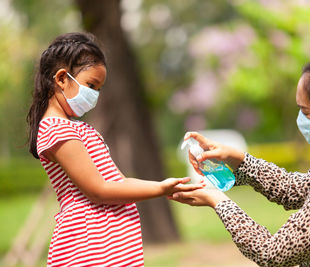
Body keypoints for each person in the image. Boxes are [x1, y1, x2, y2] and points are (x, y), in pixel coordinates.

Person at [170, 56, 310, 266]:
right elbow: (292, 188)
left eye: (306, 112)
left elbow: (273, 253)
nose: (301, 120)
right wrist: (237, 159)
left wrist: (217, 200)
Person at [26, 32, 204, 267]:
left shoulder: (77, 128)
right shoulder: (57, 129)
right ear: (61, 78)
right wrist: (160, 189)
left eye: (98, 88)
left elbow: (119, 182)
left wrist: (164, 186)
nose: (95, 95)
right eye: (91, 85)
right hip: (90, 251)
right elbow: (98, 190)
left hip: (109, 251)